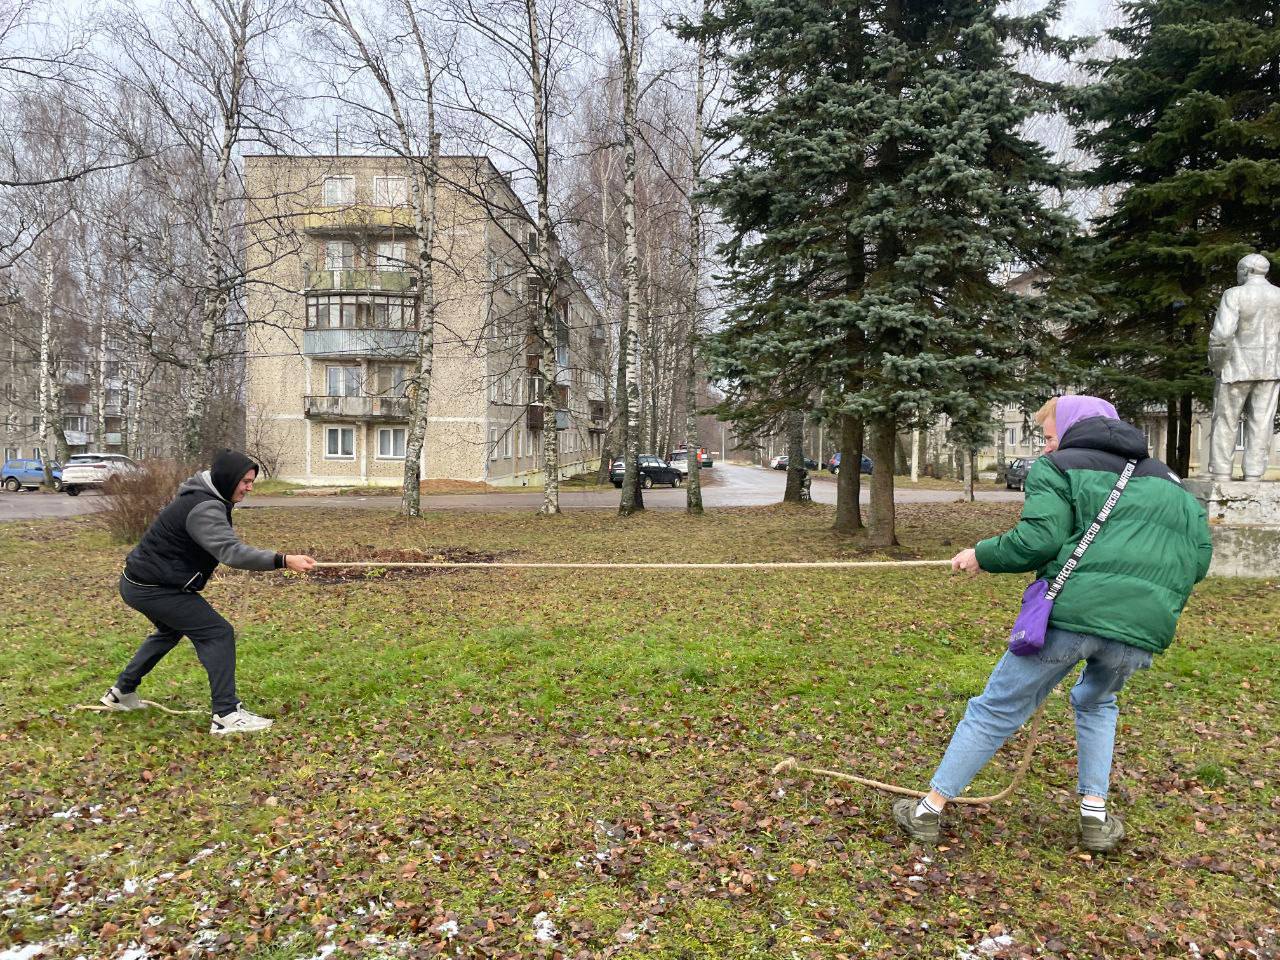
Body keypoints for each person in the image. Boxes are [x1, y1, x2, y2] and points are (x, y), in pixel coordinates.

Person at [893, 396, 1213, 852]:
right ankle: (1095, 818)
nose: (1045, 447)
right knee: (1098, 704)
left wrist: (981, 554)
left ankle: (928, 810)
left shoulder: (1059, 467)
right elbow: (1198, 562)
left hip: (1070, 617)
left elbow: (1038, 540)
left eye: (1048, 436)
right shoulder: (1172, 483)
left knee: (996, 708)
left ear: (1075, 427)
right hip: (1141, 630)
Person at [99, 449, 316, 734]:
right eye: (245, 482)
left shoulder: (205, 497)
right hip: (153, 588)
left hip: (140, 583)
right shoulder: (205, 507)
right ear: (228, 479)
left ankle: (121, 693)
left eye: (252, 482)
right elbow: (231, 552)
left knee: (169, 631)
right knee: (217, 633)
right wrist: (283, 560)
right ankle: (226, 714)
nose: (249, 488)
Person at [1207, 252, 1280, 481]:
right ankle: (1254, 475)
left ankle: (1221, 473)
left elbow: (1222, 335)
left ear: (1246, 271)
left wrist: (1217, 365)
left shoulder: (1234, 294)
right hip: (1270, 368)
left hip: (1236, 368)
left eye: (1239, 270)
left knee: (1226, 420)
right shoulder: (1278, 296)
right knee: (1262, 422)